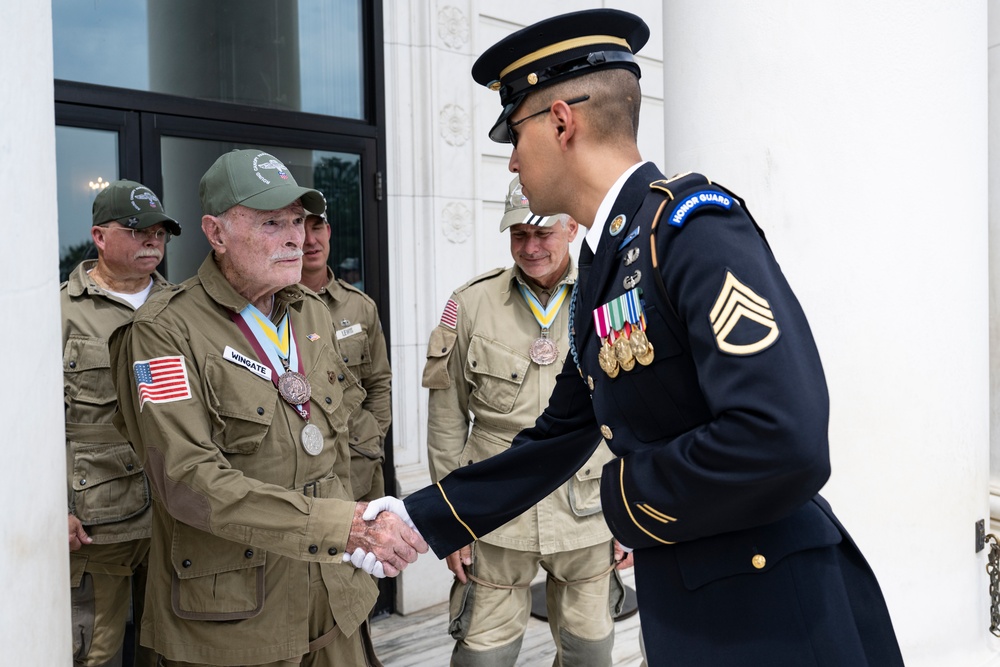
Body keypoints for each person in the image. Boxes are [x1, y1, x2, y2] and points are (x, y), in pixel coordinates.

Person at [394, 9, 905, 666]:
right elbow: (556, 438)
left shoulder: (692, 230)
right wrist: (417, 518)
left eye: (515, 133)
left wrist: (625, 496)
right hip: (701, 606)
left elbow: (783, 436)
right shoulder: (606, 266)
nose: (513, 159)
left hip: (775, 614)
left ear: (560, 122)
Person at [109, 149, 426, 666]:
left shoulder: (309, 312)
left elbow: (342, 440)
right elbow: (187, 481)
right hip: (236, 624)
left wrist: (369, 527)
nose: (296, 236)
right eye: (271, 221)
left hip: (335, 602)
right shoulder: (162, 331)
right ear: (216, 233)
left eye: (298, 220)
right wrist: (340, 526)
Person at [422, 175, 624, 666]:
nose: (530, 247)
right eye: (519, 235)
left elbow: (633, 412)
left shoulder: (609, 297)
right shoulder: (471, 304)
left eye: (543, 234)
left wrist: (628, 511)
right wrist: (452, 520)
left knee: (589, 650)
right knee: (483, 652)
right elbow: (447, 420)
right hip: (495, 509)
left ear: (571, 227)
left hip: (587, 507)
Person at [62, 178, 180, 667]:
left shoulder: (183, 310)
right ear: (99, 236)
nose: (152, 240)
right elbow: (26, 427)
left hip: (173, 518)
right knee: (96, 653)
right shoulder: (59, 312)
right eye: (137, 230)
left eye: (159, 231)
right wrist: (54, 510)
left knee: (170, 649)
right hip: (96, 522)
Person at [300, 212, 392, 501]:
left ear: (328, 231)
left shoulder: (360, 306)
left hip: (360, 463)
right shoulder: (272, 307)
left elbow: (378, 382)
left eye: (317, 228)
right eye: (300, 230)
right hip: (304, 470)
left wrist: (374, 434)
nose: (310, 240)